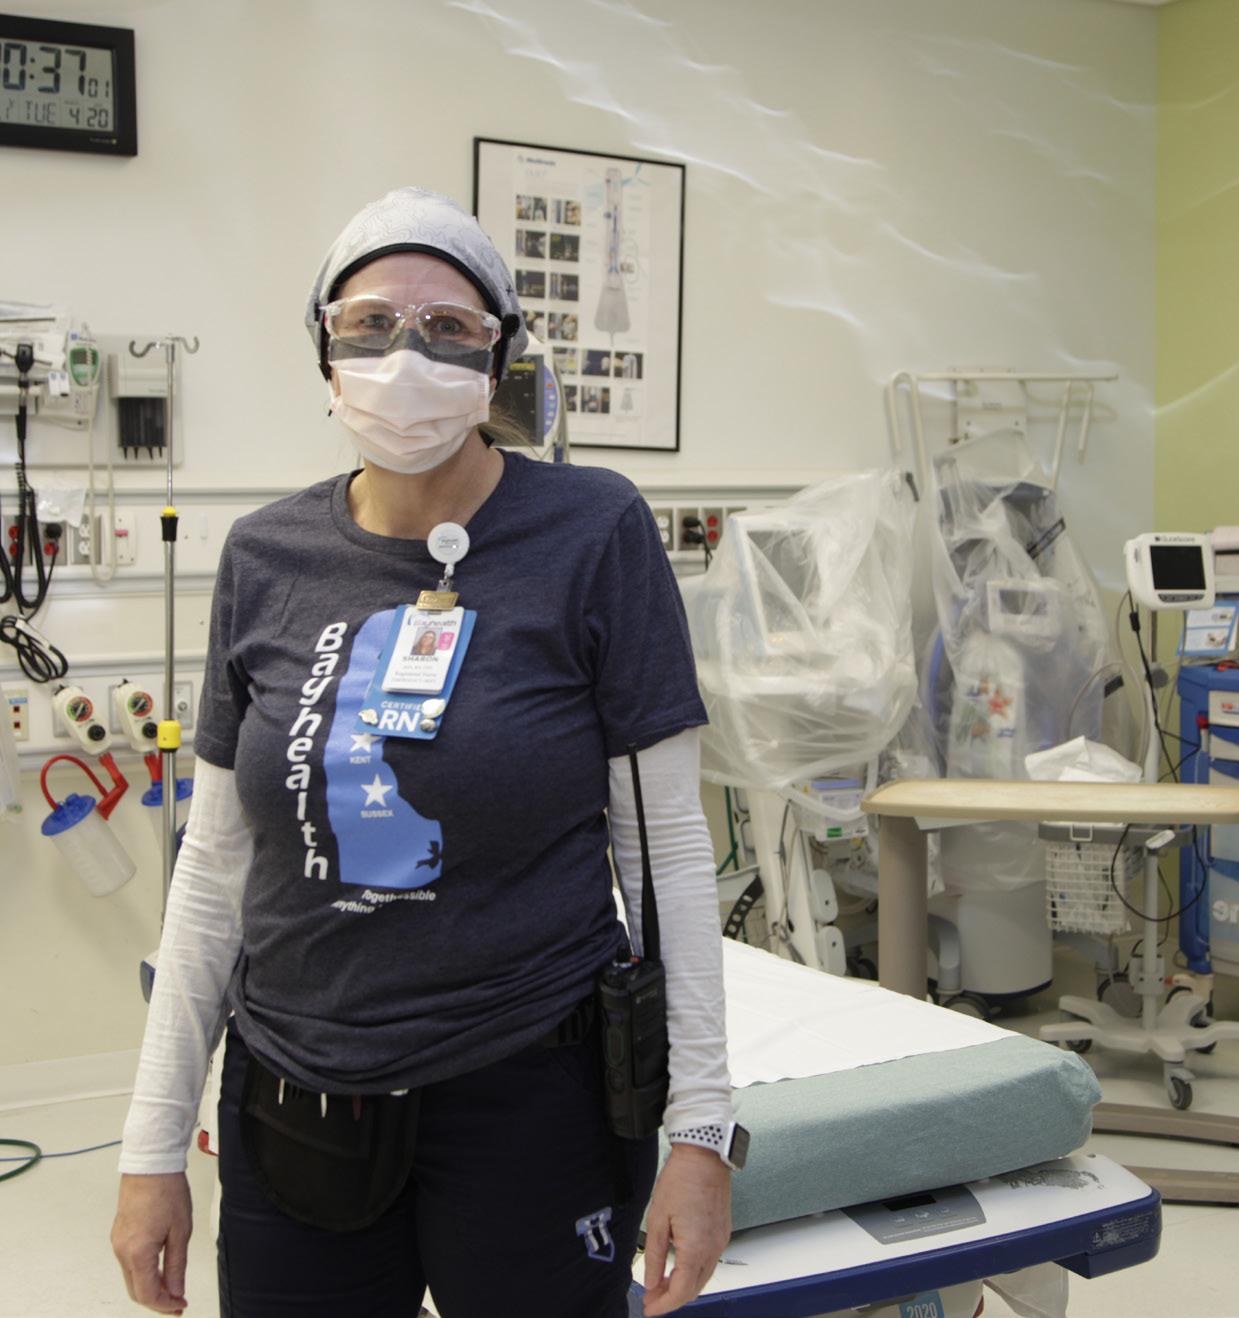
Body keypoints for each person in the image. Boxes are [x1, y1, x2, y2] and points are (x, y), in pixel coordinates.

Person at [109, 187, 740, 1318]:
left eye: (448, 326)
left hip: (529, 1086)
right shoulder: (263, 555)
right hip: (294, 1088)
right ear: (324, 350)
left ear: (498, 355)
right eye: (369, 324)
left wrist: (699, 1131)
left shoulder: (591, 532)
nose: (405, 354)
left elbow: (668, 856)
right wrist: (150, 1149)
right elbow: (212, 871)